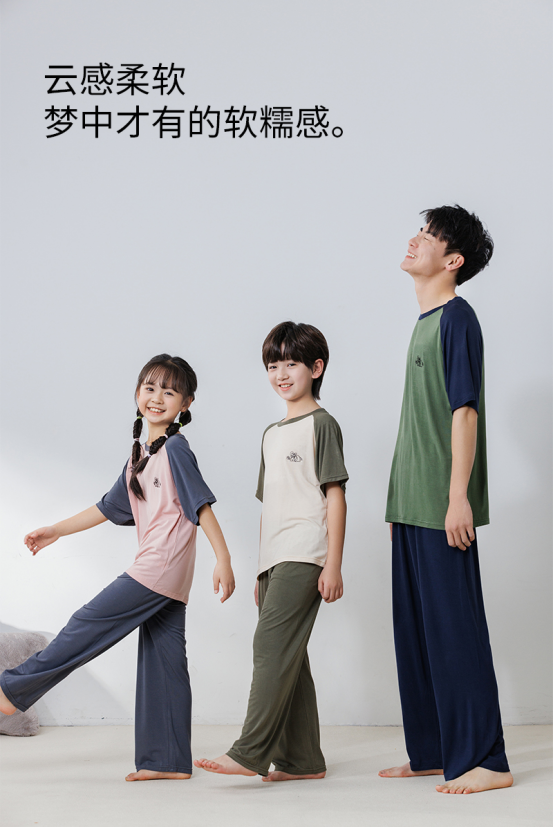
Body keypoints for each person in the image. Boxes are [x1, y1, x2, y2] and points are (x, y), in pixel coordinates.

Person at [0, 354, 235, 781]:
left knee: (85, 624)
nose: (157, 398)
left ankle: (13, 690)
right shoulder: (139, 456)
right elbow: (108, 507)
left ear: (186, 403)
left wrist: (224, 558)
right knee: (164, 659)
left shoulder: (177, 449)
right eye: (150, 388)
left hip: (158, 568)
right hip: (169, 576)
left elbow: (202, 507)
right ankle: (167, 762)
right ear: (137, 394)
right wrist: (56, 530)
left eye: (169, 391)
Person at [380, 206, 513, 794]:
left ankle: (488, 760)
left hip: (442, 505)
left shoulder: (458, 318)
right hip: (411, 505)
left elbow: (465, 412)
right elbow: (416, 423)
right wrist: (396, 502)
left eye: (430, 236)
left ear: (453, 260)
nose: (416, 239)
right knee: (415, 635)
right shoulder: (423, 323)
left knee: (456, 631)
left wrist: (458, 497)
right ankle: (433, 750)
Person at [195, 321, 348, 781]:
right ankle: (302, 761)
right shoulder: (271, 433)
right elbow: (272, 506)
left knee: (270, 647)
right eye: (273, 365)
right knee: (290, 657)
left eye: (291, 364)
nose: (281, 374)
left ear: (316, 368)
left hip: (307, 552)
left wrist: (333, 563)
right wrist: (263, 570)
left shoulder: (322, 425)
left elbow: (335, 496)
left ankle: (249, 752)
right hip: (275, 559)